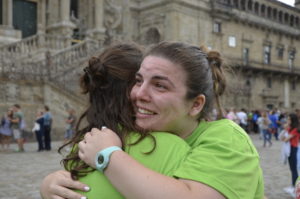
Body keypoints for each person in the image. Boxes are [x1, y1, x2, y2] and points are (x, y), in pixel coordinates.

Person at [41, 42, 264, 199]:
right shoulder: (138, 139)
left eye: (159, 85)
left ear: (196, 104)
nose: (138, 94)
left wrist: (107, 156)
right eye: (138, 81)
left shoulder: (226, 137)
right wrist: (52, 184)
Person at [41, 43, 190, 199]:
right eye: (141, 82)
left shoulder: (83, 147)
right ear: (133, 90)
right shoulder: (172, 147)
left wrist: (46, 187)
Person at [282, 113, 300, 197]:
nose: (287, 121)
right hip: (290, 149)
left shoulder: (295, 129)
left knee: (294, 169)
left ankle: (295, 187)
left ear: (292, 120)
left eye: (289, 119)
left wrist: (286, 132)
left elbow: (285, 139)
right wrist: (285, 129)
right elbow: (281, 137)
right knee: (292, 169)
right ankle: (293, 185)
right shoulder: (290, 129)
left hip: (293, 149)